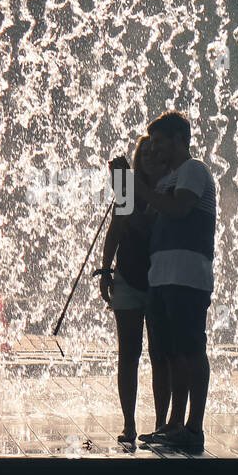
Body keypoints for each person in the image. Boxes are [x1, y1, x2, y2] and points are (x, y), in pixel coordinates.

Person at [136, 111, 218, 454]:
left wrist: (142, 187)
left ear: (178, 140)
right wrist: (126, 186)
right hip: (161, 276)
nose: (154, 149)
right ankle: (172, 424)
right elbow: (139, 226)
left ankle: (193, 427)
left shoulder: (194, 170)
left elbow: (180, 209)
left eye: (159, 142)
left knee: (190, 351)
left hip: (187, 277)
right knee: (169, 354)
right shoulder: (166, 180)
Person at [97, 137, 170, 447]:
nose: (151, 158)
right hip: (127, 279)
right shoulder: (128, 190)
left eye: (157, 153)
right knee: (129, 353)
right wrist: (105, 270)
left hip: (159, 282)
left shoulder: (168, 190)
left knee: (159, 355)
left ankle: (161, 424)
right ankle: (128, 424)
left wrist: (127, 188)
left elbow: (147, 230)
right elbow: (116, 230)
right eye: (146, 154)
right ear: (139, 160)